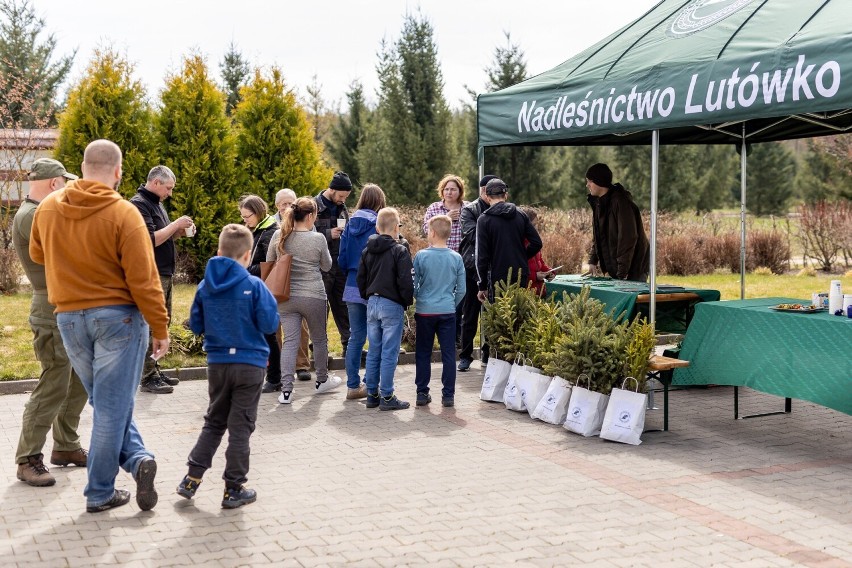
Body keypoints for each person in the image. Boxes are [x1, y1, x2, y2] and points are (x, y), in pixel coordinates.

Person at [30, 139, 169, 513]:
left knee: (106, 403)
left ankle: (138, 460)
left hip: (69, 319)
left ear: (82, 165)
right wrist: (160, 326)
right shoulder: (124, 214)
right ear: (118, 172)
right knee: (111, 407)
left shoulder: (48, 208)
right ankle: (99, 492)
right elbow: (144, 279)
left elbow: (36, 254)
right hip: (118, 319)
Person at [177, 224, 279, 509]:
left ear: (220, 252)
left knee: (214, 421)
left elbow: (195, 324)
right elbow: (270, 324)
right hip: (250, 363)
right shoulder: (254, 285)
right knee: (241, 428)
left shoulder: (204, 286)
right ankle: (233, 488)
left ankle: (191, 478)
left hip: (218, 364)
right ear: (247, 256)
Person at [12, 158, 88, 487]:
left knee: (78, 381)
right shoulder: (32, 215)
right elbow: (68, 252)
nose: (69, 187)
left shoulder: (38, 213)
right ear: (55, 183)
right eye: (66, 182)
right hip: (51, 306)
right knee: (54, 383)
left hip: (66, 304)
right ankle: (28, 458)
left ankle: (66, 447)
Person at [267, 197, 343, 404]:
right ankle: (322, 380)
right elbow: (327, 266)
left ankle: (286, 391)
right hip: (313, 295)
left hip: (286, 297)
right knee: (319, 339)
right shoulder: (317, 238)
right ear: (310, 216)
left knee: (290, 341)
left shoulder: (278, 235)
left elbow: (270, 263)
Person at [130, 165, 194, 394]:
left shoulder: (157, 204)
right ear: (155, 183)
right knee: (150, 324)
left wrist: (177, 232)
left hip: (164, 272)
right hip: (151, 273)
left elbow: (162, 234)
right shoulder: (139, 205)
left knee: (162, 323)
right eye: (168, 188)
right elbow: (147, 240)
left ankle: (154, 369)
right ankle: (147, 376)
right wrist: (175, 225)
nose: (170, 193)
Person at [356, 207, 414, 411]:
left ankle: (372, 393)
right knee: (389, 352)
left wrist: (368, 295)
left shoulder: (367, 250)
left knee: (374, 350)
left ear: (377, 227)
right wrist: (407, 300)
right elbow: (405, 280)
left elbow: (360, 278)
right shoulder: (400, 250)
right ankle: (387, 395)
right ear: (396, 227)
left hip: (372, 302)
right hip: (392, 304)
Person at [337, 183, 386, 400]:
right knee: (375, 336)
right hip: (373, 284)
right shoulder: (378, 223)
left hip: (351, 284)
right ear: (379, 201)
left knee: (356, 337)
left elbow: (342, 257)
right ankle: (370, 384)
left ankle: (352, 386)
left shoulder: (349, 223)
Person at [413, 215, 466, 408]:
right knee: (449, 353)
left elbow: (414, 283)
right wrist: (452, 303)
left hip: (425, 311)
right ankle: (448, 395)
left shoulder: (421, 256)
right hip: (447, 311)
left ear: (433, 232)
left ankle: (422, 392)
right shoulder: (456, 258)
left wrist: (419, 297)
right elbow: (462, 289)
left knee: (423, 352)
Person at [238, 194, 282, 392]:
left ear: (258, 213)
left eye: (247, 216)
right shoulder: (255, 230)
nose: (244, 221)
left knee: (268, 335)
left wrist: (245, 268)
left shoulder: (270, 232)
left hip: (265, 290)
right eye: (243, 217)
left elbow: (270, 265)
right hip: (253, 288)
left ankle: (274, 378)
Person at [475, 178, 543, 304]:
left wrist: (482, 286)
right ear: (506, 195)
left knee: (499, 317)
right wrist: (522, 255)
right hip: (520, 273)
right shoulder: (521, 214)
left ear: (487, 196)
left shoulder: (484, 220)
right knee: (519, 314)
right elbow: (537, 243)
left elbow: (482, 257)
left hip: (497, 275)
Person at [457, 175, 497, 372]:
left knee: (491, 314)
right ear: (482, 191)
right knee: (470, 313)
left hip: (495, 267)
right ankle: (465, 356)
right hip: (472, 267)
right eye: (488, 190)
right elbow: (472, 235)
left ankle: (488, 354)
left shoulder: (503, 209)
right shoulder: (469, 210)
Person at [422, 174, 468, 344]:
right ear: (442, 191)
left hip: (460, 260)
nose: (449, 192)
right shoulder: (435, 207)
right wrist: (447, 217)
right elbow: (425, 229)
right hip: (438, 260)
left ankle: (456, 336)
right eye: (446, 189)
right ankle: (439, 334)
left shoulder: (467, 207)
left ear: (459, 191)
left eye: (453, 189)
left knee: (459, 299)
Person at [585, 163, 650, 281]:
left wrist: (622, 273)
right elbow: (598, 236)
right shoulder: (598, 203)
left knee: (629, 299)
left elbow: (628, 238)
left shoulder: (620, 202)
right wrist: (593, 261)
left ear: (599, 181)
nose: (587, 185)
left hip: (633, 268)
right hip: (620, 269)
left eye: (590, 181)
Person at [274, 188, 312, 383]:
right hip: (279, 281)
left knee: (301, 325)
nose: (288, 207)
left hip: (300, 281)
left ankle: (302, 365)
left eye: (291, 204)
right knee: (276, 325)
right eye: (284, 204)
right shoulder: (272, 226)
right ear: (277, 207)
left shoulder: (306, 224)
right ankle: (281, 365)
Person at [314, 171, 352, 358]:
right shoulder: (314, 206)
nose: (343, 200)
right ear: (332, 189)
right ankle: (320, 349)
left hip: (340, 264)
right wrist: (329, 234)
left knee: (343, 306)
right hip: (321, 265)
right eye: (341, 196)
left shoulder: (342, 207)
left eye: (346, 197)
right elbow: (307, 233)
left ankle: (349, 346)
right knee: (322, 307)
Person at [520, 206, 556, 296]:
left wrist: (549, 272)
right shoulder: (519, 245)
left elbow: (540, 262)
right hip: (527, 294)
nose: (536, 228)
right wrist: (534, 276)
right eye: (534, 225)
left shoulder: (534, 242)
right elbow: (517, 272)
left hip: (539, 292)